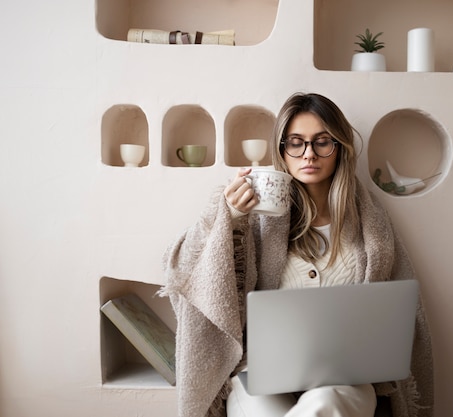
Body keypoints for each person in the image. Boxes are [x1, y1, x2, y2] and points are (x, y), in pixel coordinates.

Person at [161, 92, 433, 417]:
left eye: (322, 142)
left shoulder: (370, 225)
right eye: (296, 142)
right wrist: (229, 217)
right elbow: (181, 265)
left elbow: (399, 310)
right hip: (258, 372)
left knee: (326, 405)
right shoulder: (257, 219)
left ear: (340, 149)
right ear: (282, 150)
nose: (309, 154)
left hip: (345, 377)